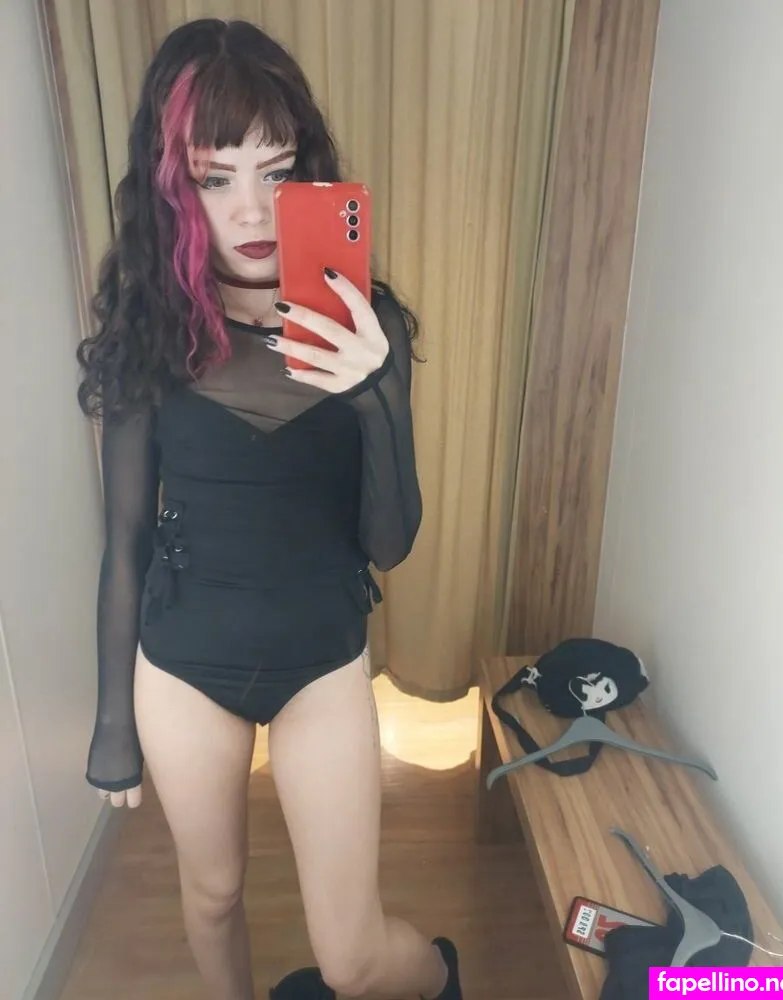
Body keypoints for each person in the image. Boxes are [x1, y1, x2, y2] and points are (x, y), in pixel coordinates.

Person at [75, 17, 463, 1000]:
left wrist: (372, 393)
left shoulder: (365, 323)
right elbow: (125, 540)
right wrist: (112, 719)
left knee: (353, 959)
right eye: (216, 177)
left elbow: (390, 542)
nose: (251, 208)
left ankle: (439, 979)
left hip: (320, 655)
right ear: (174, 188)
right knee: (211, 897)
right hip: (183, 659)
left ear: (308, 175)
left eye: (277, 171)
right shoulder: (149, 329)